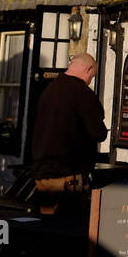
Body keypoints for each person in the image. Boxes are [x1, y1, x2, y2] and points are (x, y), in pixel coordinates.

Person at [30, 53, 107, 195]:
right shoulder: (83, 93)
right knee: (71, 216)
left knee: (47, 215)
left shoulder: (49, 90)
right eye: (92, 76)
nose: (90, 80)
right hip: (68, 174)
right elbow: (97, 132)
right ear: (88, 69)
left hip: (43, 174)